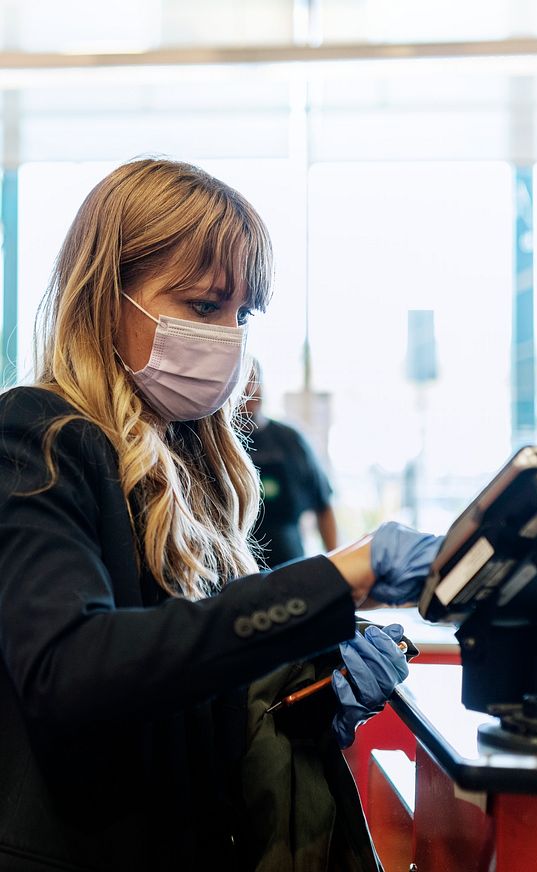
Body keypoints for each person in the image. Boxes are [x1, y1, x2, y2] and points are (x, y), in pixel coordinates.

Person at [0, 158, 441, 872]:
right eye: (204, 307)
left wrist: (308, 689)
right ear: (107, 295)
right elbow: (70, 672)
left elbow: (189, 685)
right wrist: (332, 579)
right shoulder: (38, 436)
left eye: (243, 314)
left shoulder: (197, 465)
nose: (229, 336)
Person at [242, 358, 338, 567]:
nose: (250, 390)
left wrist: (336, 567)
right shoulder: (218, 443)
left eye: (254, 382)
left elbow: (323, 504)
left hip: (291, 565)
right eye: (242, 383)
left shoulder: (291, 439)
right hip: (237, 571)